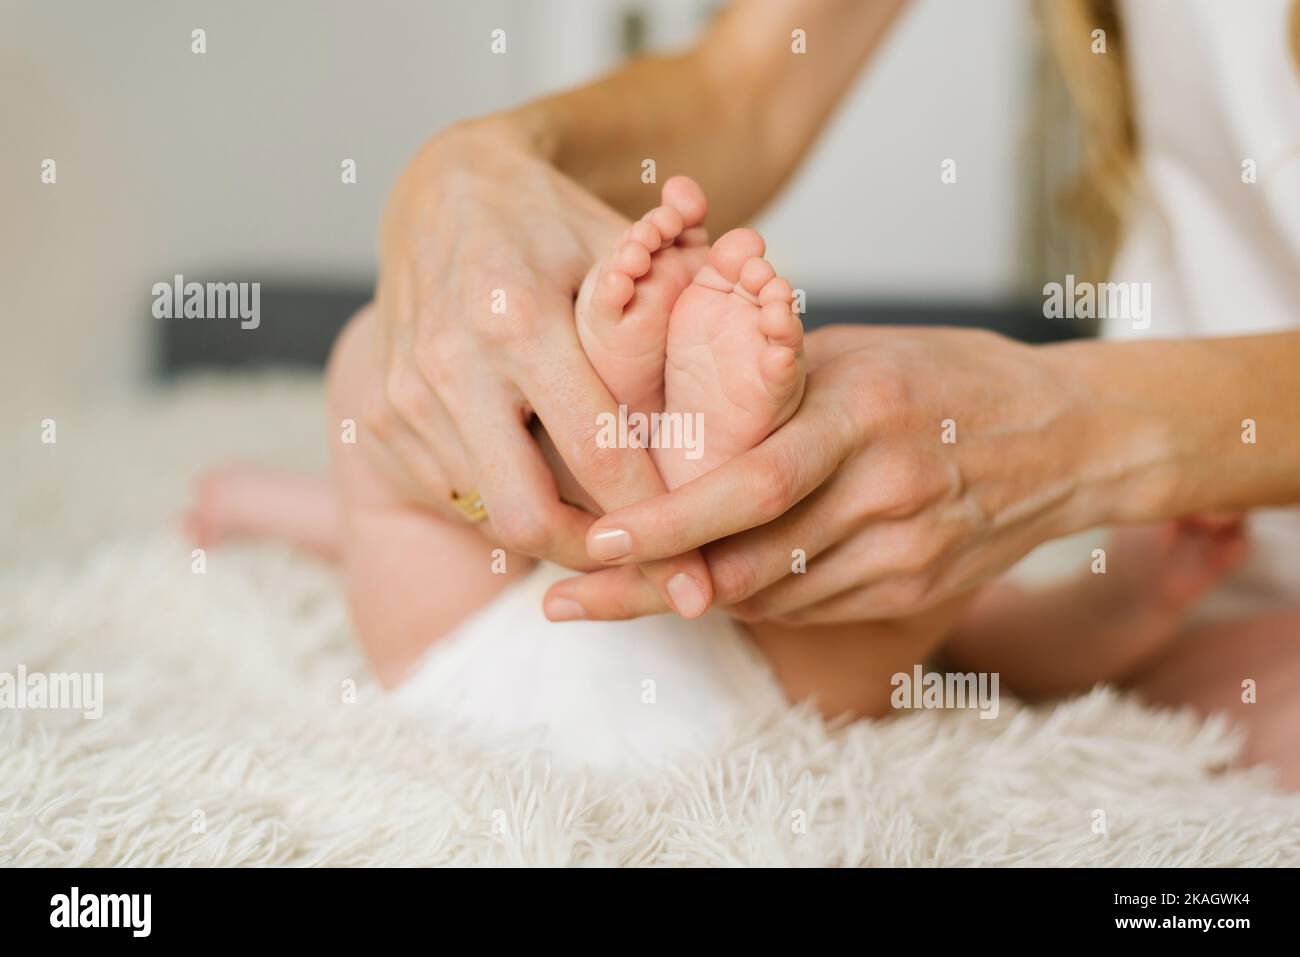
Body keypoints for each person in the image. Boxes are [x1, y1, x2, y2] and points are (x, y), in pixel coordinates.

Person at [198, 0, 1300, 779]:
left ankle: (663, 436)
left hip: (476, 674)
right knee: (916, 597)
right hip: (745, 681)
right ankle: (680, 451)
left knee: (368, 397)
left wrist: (1096, 435)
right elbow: (747, 87)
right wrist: (477, 165)